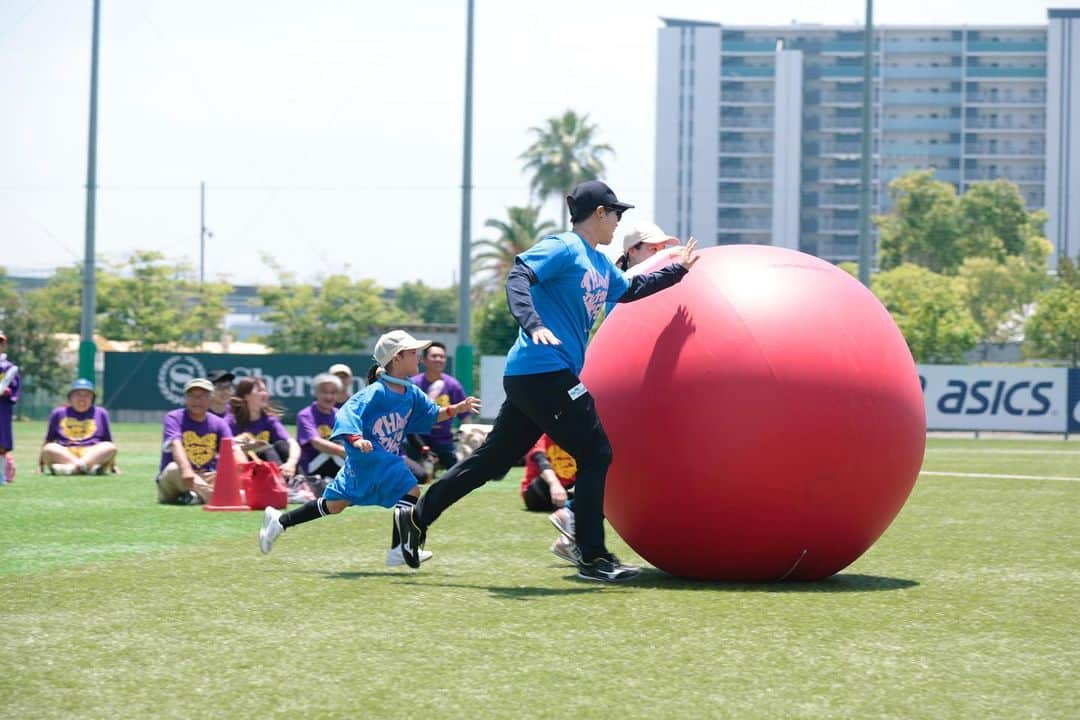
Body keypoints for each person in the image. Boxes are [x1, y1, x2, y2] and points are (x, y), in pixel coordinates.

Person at [393, 180, 698, 582]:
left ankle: (415, 519)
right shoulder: (564, 247)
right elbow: (518, 277)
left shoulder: (600, 263)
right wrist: (532, 322)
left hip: (535, 376)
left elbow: (630, 290)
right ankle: (592, 557)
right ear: (600, 213)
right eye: (616, 213)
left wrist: (678, 271)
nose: (619, 222)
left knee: (494, 460)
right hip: (543, 369)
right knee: (597, 452)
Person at [258, 330, 479, 566]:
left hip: (376, 462)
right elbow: (348, 412)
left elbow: (432, 414)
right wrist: (355, 439)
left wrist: (456, 409)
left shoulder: (412, 392)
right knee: (411, 490)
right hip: (368, 459)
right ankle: (401, 549)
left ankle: (280, 521)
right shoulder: (376, 392)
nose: (419, 357)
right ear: (396, 358)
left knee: (335, 505)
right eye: (414, 353)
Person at [157, 378, 245, 504]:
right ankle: (225, 498)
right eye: (191, 396)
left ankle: (195, 497)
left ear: (211, 398)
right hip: (174, 480)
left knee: (230, 474)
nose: (196, 400)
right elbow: (176, 444)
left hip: (205, 476)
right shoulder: (174, 418)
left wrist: (245, 469)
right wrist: (186, 469)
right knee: (173, 468)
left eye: (202, 396)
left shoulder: (218, 423)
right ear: (186, 398)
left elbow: (232, 449)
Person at [408, 341, 472, 471]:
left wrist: (466, 439)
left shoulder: (453, 385)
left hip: (443, 441)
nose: (439, 359)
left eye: (442, 357)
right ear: (424, 360)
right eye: (434, 356)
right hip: (417, 439)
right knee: (410, 472)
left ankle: (435, 465)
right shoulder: (413, 385)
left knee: (458, 472)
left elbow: (465, 417)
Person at [520, 435, 579, 565]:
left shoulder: (578, 438)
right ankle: (568, 511)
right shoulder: (542, 437)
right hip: (536, 493)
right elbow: (541, 461)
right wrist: (555, 484)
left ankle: (566, 541)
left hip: (562, 493)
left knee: (595, 499)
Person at [227, 376, 301, 481]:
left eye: (265, 390)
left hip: (269, 466)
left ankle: (299, 483)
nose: (265, 394)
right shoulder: (231, 421)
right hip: (245, 469)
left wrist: (291, 463)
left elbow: (292, 443)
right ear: (246, 396)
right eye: (260, 391)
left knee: (282, 445)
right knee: (266, 450)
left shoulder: (269, 420)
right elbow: (224, 446)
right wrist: (239, 440)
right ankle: (281, 482)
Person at [41, 379, 118, 475]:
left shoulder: (101, 413)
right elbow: (48, 440)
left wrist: (114, 466)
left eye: (87, 395)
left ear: (92, 399)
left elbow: (109, 440)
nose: (82, 398)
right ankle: (88, 469)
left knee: (109, 447)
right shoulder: (58, 413)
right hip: (66, 453)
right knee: (49, 448)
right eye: (78, 394)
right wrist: (40, 466)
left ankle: (71, 469)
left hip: (92, 453)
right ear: (70, 398)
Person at [295, 373, 345, 486]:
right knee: (335, 449)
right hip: (311, 466)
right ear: (316, 393)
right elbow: (316, 443)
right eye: (324, 392)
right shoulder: (305, 415)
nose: (328, 397)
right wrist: (343, 451)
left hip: (337, 462)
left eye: (332, 393)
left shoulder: (341, 415)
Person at [0, 331, 18, 484]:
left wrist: (8, 392)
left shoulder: (9, 368)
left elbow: (15, 389)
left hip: (2, 411)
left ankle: (1, 475)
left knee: (1, 444)